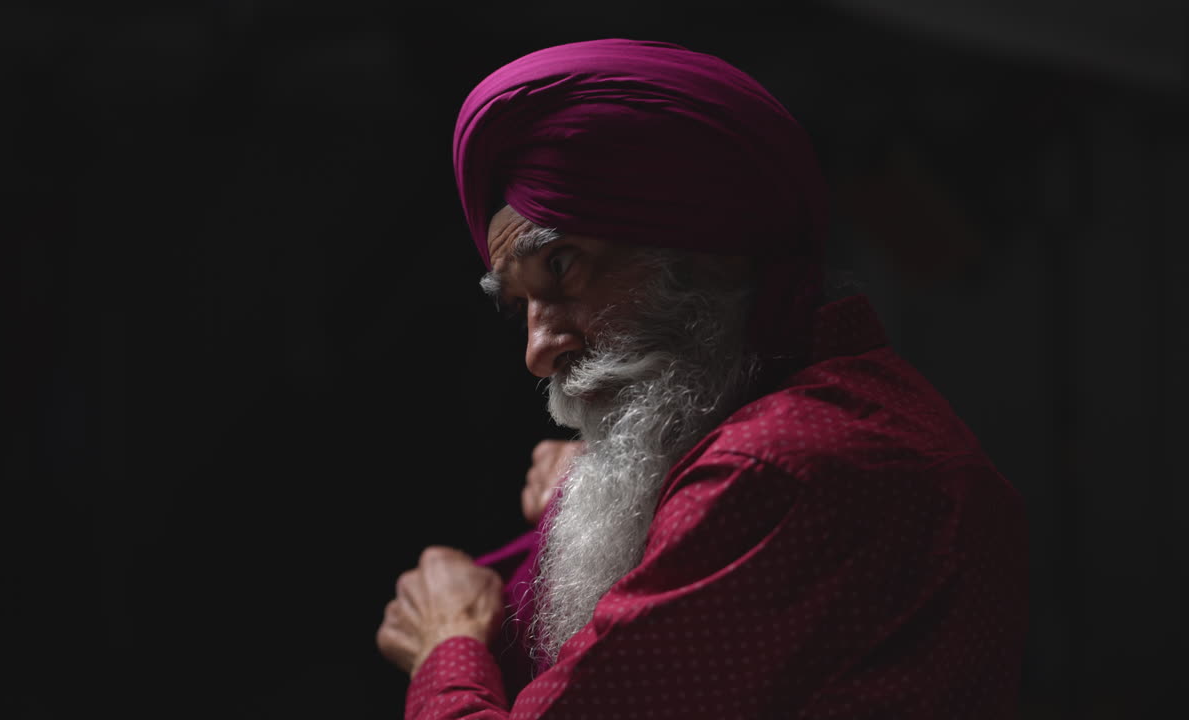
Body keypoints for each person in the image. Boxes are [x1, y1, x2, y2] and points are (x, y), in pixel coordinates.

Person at [375, 38, 1028, 719]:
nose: (538, 350)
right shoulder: (856, 414)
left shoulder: (770, 472)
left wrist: (446, 640)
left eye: (564, 269)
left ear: (706, 249)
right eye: (521, 307)